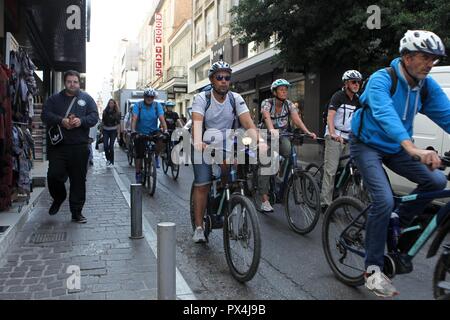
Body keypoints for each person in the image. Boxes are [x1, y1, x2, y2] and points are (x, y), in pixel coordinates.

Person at [350, 30, 450, 297]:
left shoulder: (425, 86)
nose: (430, 64)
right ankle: (372, 270)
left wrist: (407, 147)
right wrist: (412, 147)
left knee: (437, 180)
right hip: (367, 144)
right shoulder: (383, 79)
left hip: (395, 148)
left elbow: (448, 115)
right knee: (382, 199)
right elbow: (385, 114)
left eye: (434, 59)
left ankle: (398, 218)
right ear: (406, 57)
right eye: (425, 57)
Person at [191, 60, 267, 243]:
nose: (224, 80)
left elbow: (248, 123)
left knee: (230, 177)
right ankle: (199, 227)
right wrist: (199, 142)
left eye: (227, 77)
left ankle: (224, 201)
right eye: (219, 77)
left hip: (226, 145)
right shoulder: (202, 99)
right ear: (212, 80)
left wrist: (261, 141)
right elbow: (197, 123)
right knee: (203, 184)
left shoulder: (235, 98)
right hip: (204, 143)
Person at [41, 70, 99, 223]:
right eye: (69, 81)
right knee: (53, 175)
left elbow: (94, 117)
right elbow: (45, 115)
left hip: (79, 146)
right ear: (65, 83)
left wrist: (81, 121)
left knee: (78, 180)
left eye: (75, 82)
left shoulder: (86, 99)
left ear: (79, 83)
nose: (72, 84)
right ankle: (59, 197)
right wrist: (61, 121)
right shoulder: (54, 99)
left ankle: (76, 212)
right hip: (59, 146)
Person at [258, 79, 317, 213]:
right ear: (274, 92)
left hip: (283, 135)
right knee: (266, 165)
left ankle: (280, 171)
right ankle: (264, 200)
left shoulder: (289, 104)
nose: (284, 92)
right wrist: (272, 129)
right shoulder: (267, 103)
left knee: (290, 153)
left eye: (286, 89)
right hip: (266, 135)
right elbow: (266, 116)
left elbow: (296, 119)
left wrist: (307, 132)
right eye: (281, 90)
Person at [320, 70, 362, 212]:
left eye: (358, 82)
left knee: (347, 167)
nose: (357, 84)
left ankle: (338, 193)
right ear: (346, 83)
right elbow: (330, 117)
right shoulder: (338, 96)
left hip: (348, 137)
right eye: (353, 82)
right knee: (331, 170)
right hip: (335, 135)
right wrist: (332, 133)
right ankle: (325, 203)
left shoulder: (358, 99)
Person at [131, 87, 168, 183]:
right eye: (148, 96)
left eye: (151, 97)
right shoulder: (138, 105)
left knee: (162, 139)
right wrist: (133, 131)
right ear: (144, 96)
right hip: (140, 132)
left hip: (153, 131)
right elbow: (134, 119)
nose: (149, 98)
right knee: (139, 154)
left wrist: (166, 130)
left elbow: (162, 119)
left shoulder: (157, 105)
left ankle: (156, 155)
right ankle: (138, 172)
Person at [102, 99, 121, 166]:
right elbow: (103, 122)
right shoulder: (105, 112)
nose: (111, 104)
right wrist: (102, 132)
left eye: (112, 103)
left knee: (111, 146)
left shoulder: (117, 113)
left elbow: (118, 124)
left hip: (113, 130)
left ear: (114, 104)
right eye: (110, 103)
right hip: (105, 130)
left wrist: (118, 134)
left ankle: (112, 161)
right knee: (105, 146)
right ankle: (108, 159)